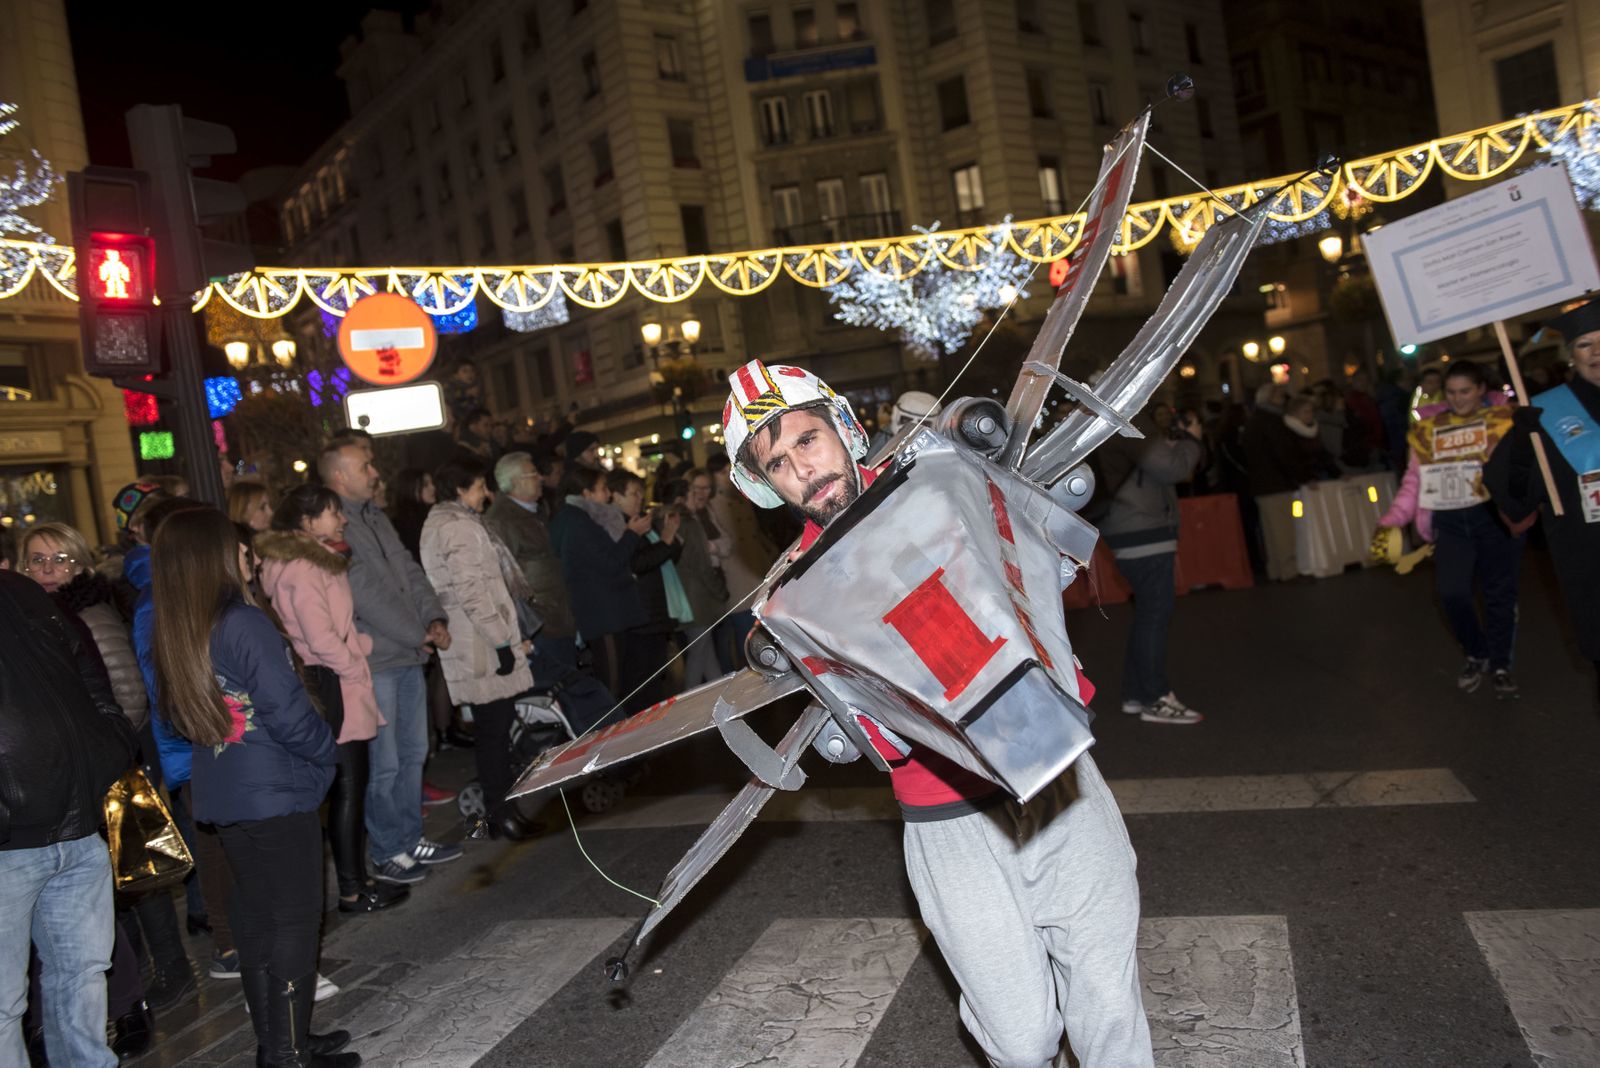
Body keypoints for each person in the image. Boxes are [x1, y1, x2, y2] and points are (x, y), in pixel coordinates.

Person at [721, 359, 1151, 1067]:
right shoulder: (789, 602)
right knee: (1020, 1040)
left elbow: (1039, 536)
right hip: (947, 818)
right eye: (777, 463)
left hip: (1059, 782)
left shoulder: (942, 476)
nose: (803, 468)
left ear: (846, 430)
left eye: (807, 440)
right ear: (765, 489)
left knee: (1108, 1008)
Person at [150, 508, 356, 1067]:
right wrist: (325, 754)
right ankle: (287, 1053)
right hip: (273, 789)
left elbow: (175, 718)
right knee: (291, 919)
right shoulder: (241, 622)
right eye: (236, 547)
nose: (247, 554)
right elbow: (287, 710)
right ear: (213, 556)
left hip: (227, 790)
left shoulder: (177, 627)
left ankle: (280, 1042)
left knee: (259, 921)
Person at [0, 569, 139, 1068]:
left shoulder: (20, 589)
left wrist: (110, 748)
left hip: (77, 827)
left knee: (81, 975)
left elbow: (89, 673)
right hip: (8, 846)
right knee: (3, 1007)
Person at [259, 486, 409, 914]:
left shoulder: (294, 561)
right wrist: (353, 661)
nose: (341, 519)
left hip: (328, 677)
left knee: (348, 787)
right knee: (349, 788)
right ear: (307, 522)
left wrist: (355, 645)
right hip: (334, 683)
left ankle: (356, 881)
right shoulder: (306, 566)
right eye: (332, 513)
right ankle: (352, 888)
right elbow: (320, 635)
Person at [319, 441, 459, 886]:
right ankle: (387, 849)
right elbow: (365, 593)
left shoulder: (373, 516)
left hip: (407, 651)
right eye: (365, 466)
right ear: (339, 476)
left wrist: (433, 616)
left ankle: (409, 837)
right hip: (377, 658)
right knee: (386, 763)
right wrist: (415, 632)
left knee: (415, 752)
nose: (374, 471)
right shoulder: (336, 523)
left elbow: (409, 571)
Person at [1378, 361, 1524, 697]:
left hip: (1493, 518)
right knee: (1451, 592)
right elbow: (1414, 480)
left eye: (1466, 391)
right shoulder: (1428, 428)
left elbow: (1522, 471)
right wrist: (1392, 520)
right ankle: (1477, 652)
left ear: (1481, 390)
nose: (1458, 399)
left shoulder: (1503, 421)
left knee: (1499, 596)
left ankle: (1501, 665)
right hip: (1449, 520)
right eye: (1452, 392)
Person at [418, 455, 540, 841]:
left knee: (494, 733)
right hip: (481, 644)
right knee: (493, 735)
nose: (485, 492)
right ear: (459, 489)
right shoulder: (457, 528)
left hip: (479, 640)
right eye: (478, 486)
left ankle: (502, 811)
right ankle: (501, 813)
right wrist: (502, 641)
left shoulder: (452, 522)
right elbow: (471, 591)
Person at [1486, 298, 1600, 703]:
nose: (1597, 352)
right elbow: (1517, 501)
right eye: (1585, 344)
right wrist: (1520, 444)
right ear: (1571, 355)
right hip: (1593, 566)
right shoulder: (1550, 414)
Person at [487, 453, 624, 734]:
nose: (540, 478)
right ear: (514, 482)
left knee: (569, 697)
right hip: (540, 623)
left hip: (557, 617)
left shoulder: (532, 513)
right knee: (560, 702)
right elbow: (503, 577)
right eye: (533, 473)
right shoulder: (502, 520)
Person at [1095, 407, 1206, 724]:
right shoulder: (1125, 419)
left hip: (1129, 526)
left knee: (1148, 613)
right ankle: (1154, 698)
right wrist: (1191, 439)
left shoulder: (1108, 421)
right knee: (1155, 614)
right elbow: (1169, 467)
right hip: (1141, 529)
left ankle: (1136, 693)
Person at [20, 522, 148, 730]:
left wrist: (113, 746)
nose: (47, 569)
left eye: (59, 559)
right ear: (24, 567)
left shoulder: (91, 617)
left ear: (79, 566)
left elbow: (130, 694)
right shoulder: (39, 617)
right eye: (37, 559)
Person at [548, 463, 653, 697]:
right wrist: (632, 534)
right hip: (602, 613)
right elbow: (610, 561)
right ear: (586, 493)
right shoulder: (578, 522)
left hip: (602, 611)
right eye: (603, 489)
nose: (608, 495)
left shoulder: (573, 518)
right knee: (613, 680)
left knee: (617, 678)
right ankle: (614, 731)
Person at [606, 467, 687, 709]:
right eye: (634, 494)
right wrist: (665, 540)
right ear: (615, 496)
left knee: (655, 674)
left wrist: (669, 538)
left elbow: (664, 557)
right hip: (640, 614)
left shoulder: (639, 522)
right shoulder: (617, 525)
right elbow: (637, 563)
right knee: (641, 680)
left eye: (641, 493)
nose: (639, 499)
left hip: (654, 610)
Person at [704, 453, 778, 671]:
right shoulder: (713, 505)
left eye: (729, 471)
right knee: (745, 634)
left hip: (755, 570)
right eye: (722, 473)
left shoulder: (741, 498)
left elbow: (755, 533)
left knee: (762, 628)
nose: (727, 476)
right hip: (736, 578)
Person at [1242, 384, 1317, 580]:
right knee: (1284, 530)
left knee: (1272, 531)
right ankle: (1288, 569)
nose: (1284, 400)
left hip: (1262, 484)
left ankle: (1276, 569)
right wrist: (1301, 476)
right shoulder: (1272, 422)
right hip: (1276, 482)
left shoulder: (1255, 421)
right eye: (1280, 396)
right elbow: (1284, 454)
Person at [678, 468, 733, 686]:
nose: (703, 492)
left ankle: (721, 693)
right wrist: (712, 548)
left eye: (707, 487)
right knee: (699, 653)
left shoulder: (703, 513)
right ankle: (688, 706)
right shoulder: (684, 518)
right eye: (697, 488)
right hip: (696, 594)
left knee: (705, 651)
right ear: (686, 489)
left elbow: (727, 545)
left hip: (705, 591)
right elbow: (698, 561)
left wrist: (711, 547)